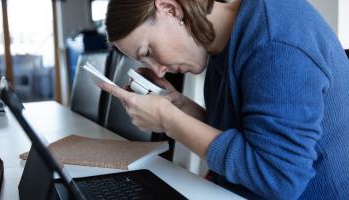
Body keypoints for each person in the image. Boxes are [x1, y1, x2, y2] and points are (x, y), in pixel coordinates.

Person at [100, 0, 349, 199]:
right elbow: (251, 137)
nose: (158, 69)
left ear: (169, 8)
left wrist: (168, 121)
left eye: (148, 52)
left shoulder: (276, 45)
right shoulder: (223, 37)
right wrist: (180, 107)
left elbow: (279, 178)